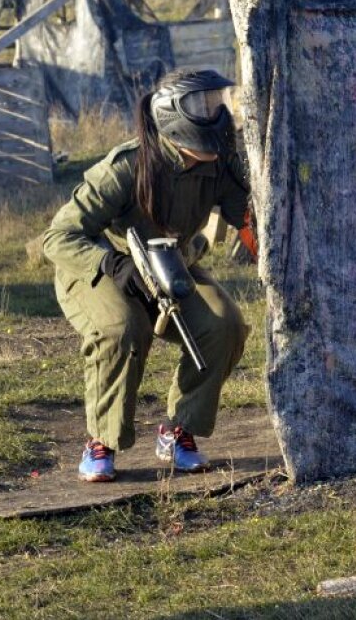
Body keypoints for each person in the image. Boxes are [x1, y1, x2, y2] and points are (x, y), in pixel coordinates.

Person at [42, 69, 252, 482]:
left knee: (224, 326)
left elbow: (247, 216)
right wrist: (113, 265)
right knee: (122, 329)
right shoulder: (127, 165)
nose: (215, 113)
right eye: (202, 106)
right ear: (173, 113)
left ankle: (178, 431)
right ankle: (101, 440)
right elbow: (58, 236)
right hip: (100, 267)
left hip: (171, 265)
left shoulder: (218, 164)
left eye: (217, 102)